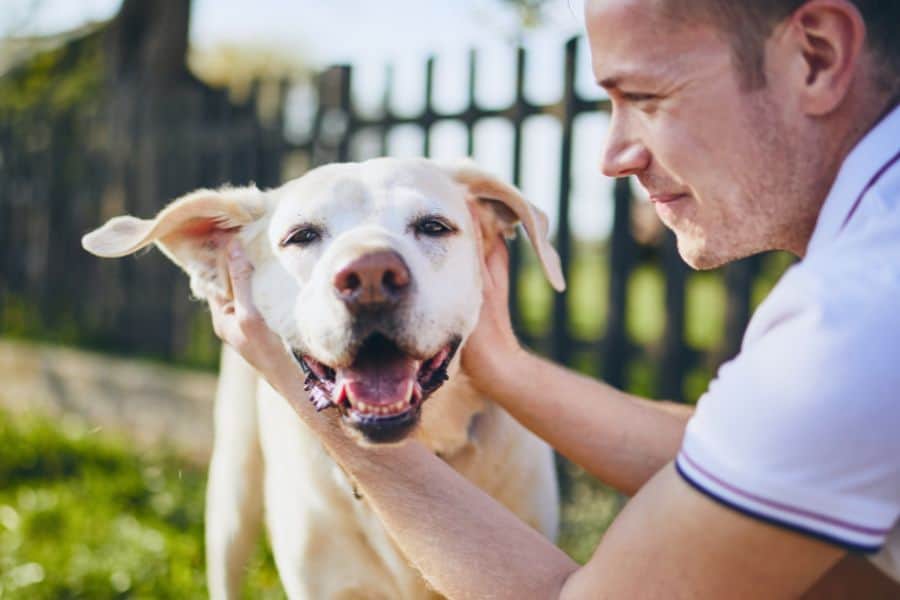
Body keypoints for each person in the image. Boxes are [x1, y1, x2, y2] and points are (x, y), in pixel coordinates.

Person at [209, 0, 900, 596]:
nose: (613, 155)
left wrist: (320, 407)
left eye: (647, 98)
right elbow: (757, 456)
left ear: (815, 56)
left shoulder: (858, 315)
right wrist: (504, 367)